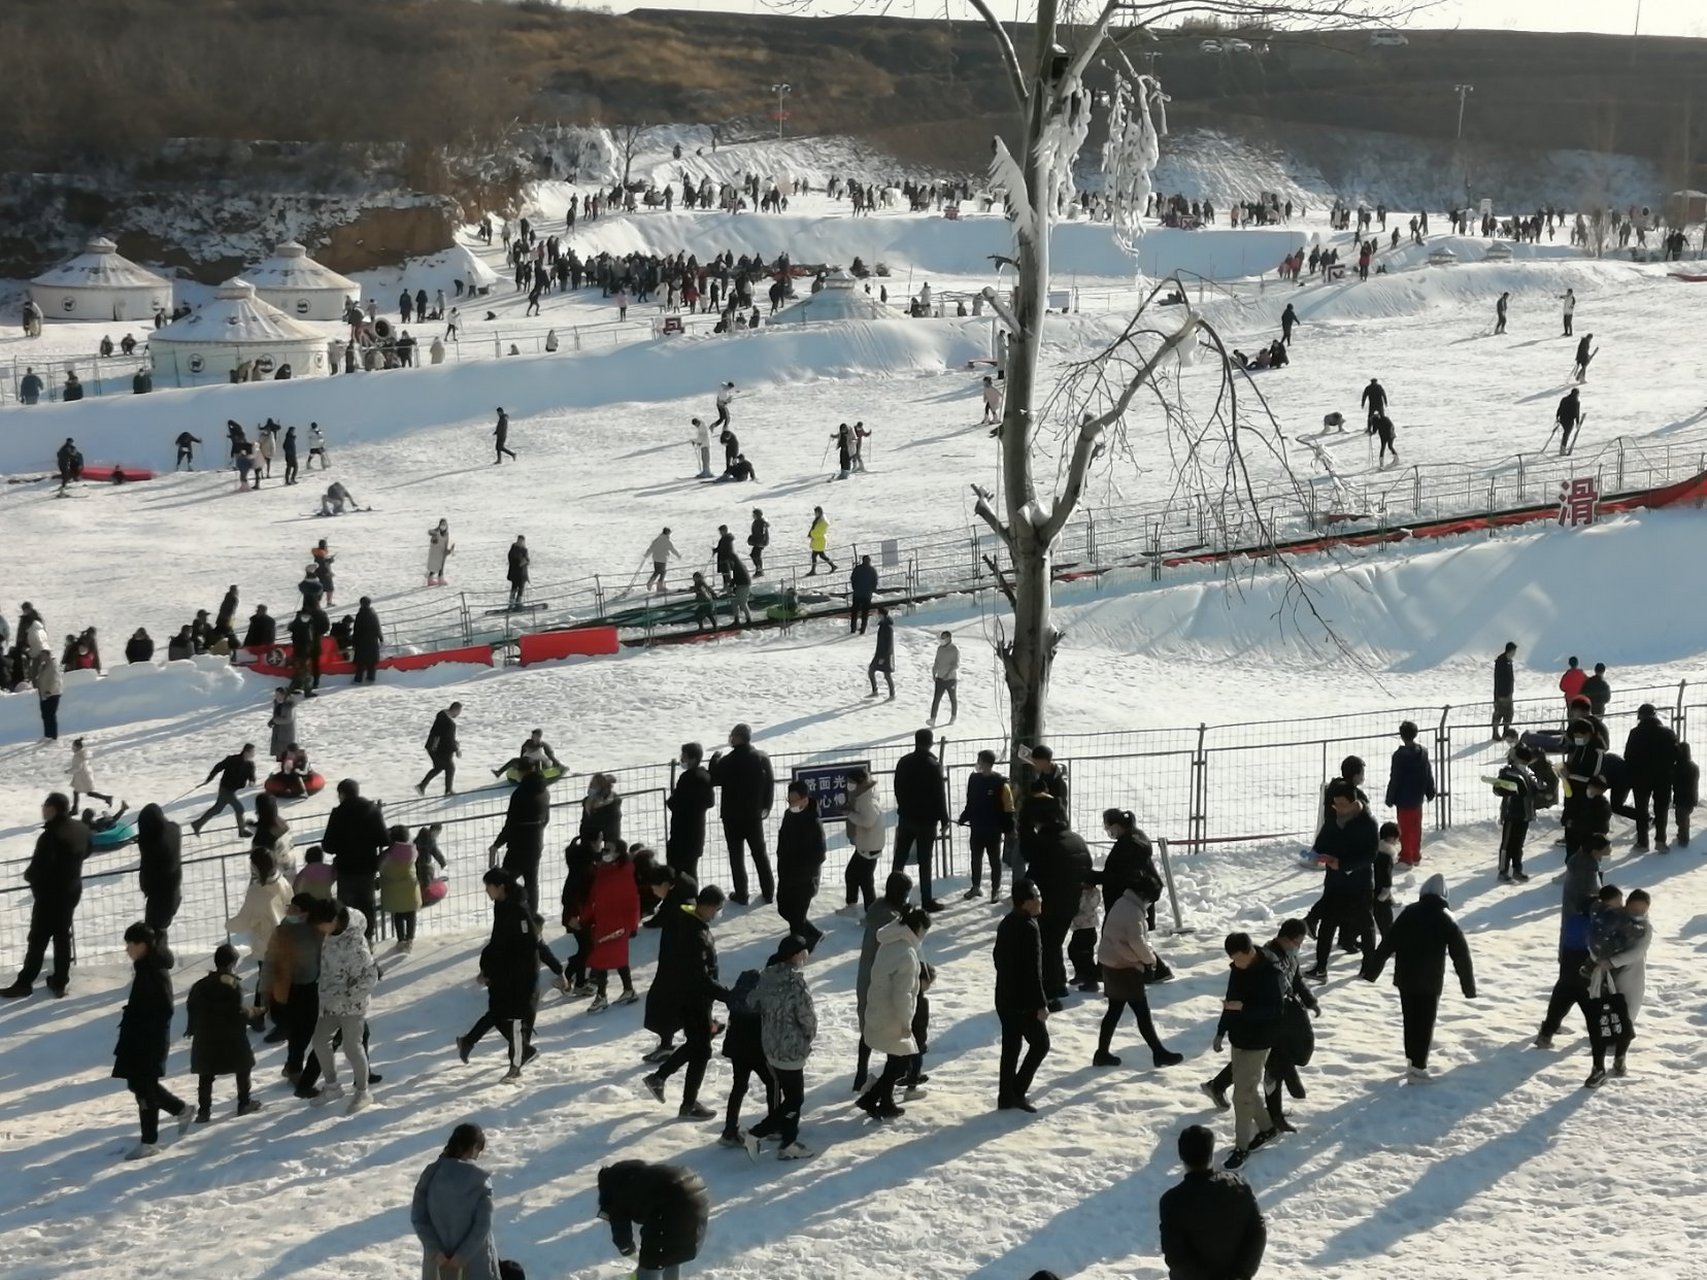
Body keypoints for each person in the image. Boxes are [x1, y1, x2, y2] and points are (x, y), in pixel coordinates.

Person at [1361, 873, 1475, 1080]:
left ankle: (1411, 1059)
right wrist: (1468, 987)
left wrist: (1372, 972)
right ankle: (1418, 1066)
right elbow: (1461, 955)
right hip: (1430, 980)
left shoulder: (1409, 912)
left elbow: (1388, 943)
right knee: (1425, 1022)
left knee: (1410, 1020)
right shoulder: (1447, 918)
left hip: (1405, 977)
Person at [642, 885, 730, 1118]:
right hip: (694, 999)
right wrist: (727, 995)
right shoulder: (695, 933)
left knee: (698, 1046)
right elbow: (699, 976)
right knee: (701, 1049)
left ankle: (660, 1079)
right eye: (718, 909)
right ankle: (686, 1102)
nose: (717, 914)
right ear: (709, 906)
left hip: (692, 998)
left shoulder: (688, 922)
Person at [2, 794, 92, 999]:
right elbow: (87, 851)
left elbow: (38, 868)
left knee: (38, 939)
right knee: (62, 937)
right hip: (71, 893)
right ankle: (60, 982)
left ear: (53, 809)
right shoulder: (81, 829)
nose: (42, 809)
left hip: (49, 897)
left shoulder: (50, 836)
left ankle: (24, 983)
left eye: (45, 806)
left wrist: (29, 876)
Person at [113, 923, 191, 1158]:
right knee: (139, 1085)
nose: (128, 949)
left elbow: (164, 1009)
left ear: (144, 945)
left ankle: (149, 1141)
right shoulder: (145, 967)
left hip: (148, 1040)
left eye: (131, 944)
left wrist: (142, 1023)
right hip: (138, 1037)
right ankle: (180, 1109)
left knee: (144, 1088)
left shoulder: (154, 971)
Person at [459, 870, 545, 1078]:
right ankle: (519, 1051)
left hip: (519, 974)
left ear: (500, 887)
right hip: (502, 970)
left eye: (488, 886)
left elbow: (530, 944)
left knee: (512, 1017)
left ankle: (517, 1063)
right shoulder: (501, 906)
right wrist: (488, 967)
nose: (486, 890)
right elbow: (498, 941)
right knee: (498, 1012)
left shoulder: (518, 910)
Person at [1157, 1125, 1268, 1280]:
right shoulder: (1238, 1185)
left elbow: (1176, 1257)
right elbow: (1257, 1231)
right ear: (1211, 1154)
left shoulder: (1172, 1201)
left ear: (1181, 1156)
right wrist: (1241, 1274)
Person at [1214, 932, 1285, 1169]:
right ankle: (1267, 1128)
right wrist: (1221, 1030)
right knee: (1245, 1086)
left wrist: (1244, 1008)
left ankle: (1241, 1147)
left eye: (1238, 959)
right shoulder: (1238, 968)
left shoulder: (1271, 972)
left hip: (1260, 1040)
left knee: (1241, 1094)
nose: (1236, 964)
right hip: (1239, 1037)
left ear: (1249, 952)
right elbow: (1230, 1000)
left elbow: (1275, 1010)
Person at [1095, 878, 1184, 1069]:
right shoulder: (1133, 912)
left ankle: (1102, 1053)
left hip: (1111, 963)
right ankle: (1159, 1053)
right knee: (1141, 1013)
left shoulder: (1123, 902)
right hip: (1124, 968)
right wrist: (1150, 961)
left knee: (1114, 1010)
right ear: (1145, 896)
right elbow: (1137, 942)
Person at [1536, 834, 1609, 1049]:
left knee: (1566, 987)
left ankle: (1548, 1030)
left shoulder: (1582, 863)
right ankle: (1600, 1034)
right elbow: (1588, 901)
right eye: (1606, 845)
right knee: (1585, 990)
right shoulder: (1586, 871)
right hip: (1583, 939)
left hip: (1572, 937)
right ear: (1595, 850)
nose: (1610, 848)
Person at [748, 936, 818, 1159]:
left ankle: (788, 1142)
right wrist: (808, 1036)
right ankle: (756, 1133)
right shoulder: (794, 982)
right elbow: (806, 1016)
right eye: (804, 952)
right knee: (795, 1099)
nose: (806, 956)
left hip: (770, 1044)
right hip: (791, 1047)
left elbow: (752, 1002)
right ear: (796, 955)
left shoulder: (766, 976)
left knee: (790, 1096)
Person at [858, 906, 930, 1120]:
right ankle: (871, 1098)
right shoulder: (907, 953)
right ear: (917, 928)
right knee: (900, 1063)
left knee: (894, 1060)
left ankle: (885, 1102)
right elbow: (903, 993)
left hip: (879, 1009)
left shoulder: (889, 943)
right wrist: (906, 1021)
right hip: (893, 1015)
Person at [1304, 780, 1378, 981]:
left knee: (1365, 924)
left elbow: (1370, 856)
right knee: (1327, 923)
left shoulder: (1367, 823)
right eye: (1335, 804)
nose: (1338, 809)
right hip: (1335, 882)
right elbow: (1322, 841)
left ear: (1355, 803)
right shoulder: (1333, 819)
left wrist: (1344, 864)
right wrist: (1318, 853)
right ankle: (1320, 968)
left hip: (1358, 883)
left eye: (1342, 805)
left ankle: (1369, 965)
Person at [309, 899, 378, 1111]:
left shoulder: (355, 943)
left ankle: (363, 1091)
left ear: (333, 920)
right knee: (320, 1041)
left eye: (321, 924)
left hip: (352, 1005)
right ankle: (332, 1086)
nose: (318, 928)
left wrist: (349, 995)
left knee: (352, 1047)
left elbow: (371, 975)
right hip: (330, 1002)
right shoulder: (330, 935)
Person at [412, 1124, 502, 1280]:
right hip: (475, 1264)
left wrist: (436, 1252)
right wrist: (461, 1256)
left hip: (436, 1266)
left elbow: (419, 1218)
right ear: (474, 1147)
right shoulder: (479, 1180)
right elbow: (482, 1225)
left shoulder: (430, 1175)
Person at [595, 1160, 711, 1280]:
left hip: (671, 1202)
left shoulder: (616, 1191)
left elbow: (620, 1228)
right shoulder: (641, 1176)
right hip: (696, 1192)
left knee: (651, 1263)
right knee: (672, 1253)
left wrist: (626, 1248)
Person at [186, 943, 260, 1122]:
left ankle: (204, 1111)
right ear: (232, 963)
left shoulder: (200, 985)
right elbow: (236, 1011)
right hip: (231, 1038)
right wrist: (254, 1014)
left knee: (206, 1075)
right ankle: (244, 1103)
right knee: (243, 1067)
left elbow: (192, 1008)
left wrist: (192, 1028)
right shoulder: (232, 984)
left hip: (205, 1039)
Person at [993, 882, 1051, 1112]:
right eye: (1037, 896)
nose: (1040, 900)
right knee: (1041, 1044)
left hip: (1004, 996)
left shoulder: (1006, 922)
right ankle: (1017, 1090)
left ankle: (1005, 1095)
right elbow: (1033, 971)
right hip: (1023, 1002)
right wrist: (1041, 1004)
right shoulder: (1029, 927)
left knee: (1011, 1047)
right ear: (1025, 902)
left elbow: (998, 957)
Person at [1585, 888, 1651, 1084]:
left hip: (1630, 981)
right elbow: (1593, 940)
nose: (1637, 912)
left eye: (1642, 909)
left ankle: (1620, 1058)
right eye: (1634, 907)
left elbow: (1638, 951)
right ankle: (1598, 1068)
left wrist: (1612, 962)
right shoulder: (1610, 918)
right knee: (1599, 1021)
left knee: (1625, 1021)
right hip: (1603, 979)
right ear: (1626, 904)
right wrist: (1599, 959)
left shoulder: (1644, 929)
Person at [708, 723, 775, 905]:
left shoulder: (728, 761)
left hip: (732, 816)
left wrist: (714, 759)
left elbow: (713, 779)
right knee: (760, 854)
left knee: (736, 856)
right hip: (754, 815)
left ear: (737, 738)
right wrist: (766, 806)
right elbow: (770, 783)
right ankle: (768, 891)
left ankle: (742, 893)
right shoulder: (761, 757)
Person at [322, 779, 389, 939]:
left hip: (346, 870)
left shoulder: (338, 813)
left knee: (346, 909)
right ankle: (368, 939)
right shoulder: (372, 810)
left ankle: (349, 941)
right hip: (367, 867)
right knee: (367, 906)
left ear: (342, 794)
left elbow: (328, 846)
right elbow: (385, 839)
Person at [893, 727, 950, 912]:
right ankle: (927, 900)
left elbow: (897, 788)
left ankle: (894, 897)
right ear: (931, 742)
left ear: (915, 741)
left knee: (899, 858)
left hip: (906, 817)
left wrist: (903, 806)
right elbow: (939, 795)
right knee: (925, 861)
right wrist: (944, 818)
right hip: (926, 821)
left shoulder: (903, 762)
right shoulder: (933, 765)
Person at [489, 759, 551, 915]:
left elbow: (511, 823)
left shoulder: (520, 793)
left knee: (503, 882)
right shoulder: (544, 791)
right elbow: (546, 819)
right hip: (535, 843)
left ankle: (507, 917)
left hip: (518, 846)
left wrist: (497, 843)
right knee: (532, 883)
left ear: (521, 771)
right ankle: (533, 919)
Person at [585, 842, 642, 1011]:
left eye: (608, 849)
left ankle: (601, 995)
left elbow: (633, 900)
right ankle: (628, 989)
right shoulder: (603, 870)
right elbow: (594, 895)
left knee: (603, 958)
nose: (604, 852)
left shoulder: (623, 872)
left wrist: (633, 925)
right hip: (604, 922)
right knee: (617, 958)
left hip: (618, 923)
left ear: (618, 852)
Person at [775, 781, 827, 950]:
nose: (792, 804)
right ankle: (814, 935)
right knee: (784, 908)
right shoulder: (788, 815)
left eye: (795, 800)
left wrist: (803, 868)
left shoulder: (813, 822)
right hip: (786, 873)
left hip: (805, 878)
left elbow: (820, 854)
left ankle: (798, 951)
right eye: (789, 800)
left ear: (805, 799)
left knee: (797, 917)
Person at [959, 750, 1015, 902]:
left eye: (980, 761)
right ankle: (975, 886)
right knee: (975, 859)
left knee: (994, 860)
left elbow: (1008, 808)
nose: (978, 764)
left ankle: (995, 889)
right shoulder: (974, 779)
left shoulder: (1000, 783)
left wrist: (1009, 828)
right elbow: (970, 801)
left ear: (986, 763)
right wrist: (965, 816)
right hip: (977, 828)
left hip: (993, 829)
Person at [1624, 702, 1678, 851]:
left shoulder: (1635, 733)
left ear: (1640, 716)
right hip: (1663, 776)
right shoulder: (1668, 732)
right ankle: (1660, 841)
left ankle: (1642, 842)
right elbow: (1675, 754)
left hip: (1640, 777)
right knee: (1661, 809)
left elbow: (1628, 755)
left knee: (1641, 810)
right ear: (1655, 715)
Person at [136, 803, 183, 966]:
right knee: (160, 930)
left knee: (155, 933)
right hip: (174, 892)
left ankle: (160, 965)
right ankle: (158, 963)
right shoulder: (174, 830)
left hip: (159, 897)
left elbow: (147, 872)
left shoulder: (153, 846)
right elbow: (172, 826)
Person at [1384, 720, 1436, 867]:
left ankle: (1406, 857)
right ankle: (1415, 853)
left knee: (1405, 829)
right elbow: (1428, 773)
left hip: (1403, 798)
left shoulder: (1399, 756)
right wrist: (1430, 790)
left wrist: (1390, 797)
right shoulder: (1423, 753)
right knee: (1416, 826)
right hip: (1418, 797)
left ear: (1401, 736)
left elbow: (1395, 778)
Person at [665, 742, 713, 877]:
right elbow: (710, 802)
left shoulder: (687, 778)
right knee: (691, 871)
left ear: (692, 758)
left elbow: (675, 804)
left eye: (684, 756)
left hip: (681, 833)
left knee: (677, 870)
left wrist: (671, 801)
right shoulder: (705, 775)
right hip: (697, 832)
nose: (682, 759)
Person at [1492, 745, 1539, 882]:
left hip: (1525, 814)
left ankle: (1517, 869)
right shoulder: (1508, 772)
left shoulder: (1528, 773)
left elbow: (1533, 790)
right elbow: (1498, 788)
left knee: (1518, 844)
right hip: (1511, 813)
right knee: (1506, 844)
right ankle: (1503, 870)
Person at [190, 744, 257, 838]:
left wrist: (252, 781)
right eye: (252, 752)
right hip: (225, 789)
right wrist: (208, 780)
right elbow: (217, 768)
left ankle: (197, 824)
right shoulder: (231, 760)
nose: (253, 754)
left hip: (232, 790)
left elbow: (252, 776)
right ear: (246, 752)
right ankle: (241, 832)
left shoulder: (250, 765)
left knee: (217, 809)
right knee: (239, 809)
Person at [842, 766, 885, 911]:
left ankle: (870, 912)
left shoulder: (866, 800)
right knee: (854, 875)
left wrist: (850, 814)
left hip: (869, 847)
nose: (849, 786)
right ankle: (854, 905)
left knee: (864, 881)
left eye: (851, 783)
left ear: (860, 783)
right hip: (867, 845)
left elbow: (868, 821)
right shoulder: (863, 795)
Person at [379, 826, 423, 949]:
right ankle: (410, 938)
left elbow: (381, 867)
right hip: (410, 888)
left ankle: (401, 939)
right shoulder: (413, 851)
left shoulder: (388, 855)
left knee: (398, 915)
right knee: (411, 914)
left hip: (394, 889)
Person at [417, 702, 462, 796]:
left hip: (431, 746)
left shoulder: (441, 715)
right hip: (439, 749)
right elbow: (448, 739)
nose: (459, 714)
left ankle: (422, 786)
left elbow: (443, 734)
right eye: (459, 711)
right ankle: (448, 791)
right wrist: (456, 749)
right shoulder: (450, 723)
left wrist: (454, 742)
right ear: (455, 710)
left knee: (439, 767)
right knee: (450, 767)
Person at [66, 737, 113, 811]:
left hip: (82, 778)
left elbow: (78, 768)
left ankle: (75, 810)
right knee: (84, 792)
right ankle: (106, 798)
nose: (72, 748)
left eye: (73, 746)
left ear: (77, 747)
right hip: (85, 776)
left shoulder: (78, 756)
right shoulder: (83, 754)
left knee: (78, 792)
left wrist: (68, 771)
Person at [926, 631, 960, 726]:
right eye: (941, 638)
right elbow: (937, 661)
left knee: (952, 698)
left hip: (950, 679)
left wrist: (948, 674)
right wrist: (934, 672)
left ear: (949, 638)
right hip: (940, 678)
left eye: (944, 638)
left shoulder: (954, 649)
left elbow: (956, 664)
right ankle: (932, 719)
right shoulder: (940, 649)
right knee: (936, 699)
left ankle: (953, 716)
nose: (942, 639)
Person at [351, 597, 382, 684]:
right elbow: (377, 627)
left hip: (361, 641)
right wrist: (380, 638)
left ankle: (358, 679)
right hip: (372, 641)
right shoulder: (373, 614)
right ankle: (371, 678)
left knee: (360, 662)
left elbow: (356, 629)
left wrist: (354, 642)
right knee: (372, 662)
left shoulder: (360, 615)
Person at [867, 607, 895, 699]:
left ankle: (892, 694)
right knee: (871, 671)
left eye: (878, 613)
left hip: (886, 655)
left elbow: (889, 644)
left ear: (882, 614)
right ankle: (875, 691)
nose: (877, 615)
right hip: (879, 653)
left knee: (887, 675)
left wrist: (883, 657)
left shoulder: (888, 627)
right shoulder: (882, 625)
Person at [1492, 641, 1517, 739]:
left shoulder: (1509, 661)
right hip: (1502, 693)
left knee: (1509, 713)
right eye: (1514, 651)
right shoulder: (1501, 662)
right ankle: (1495, 733)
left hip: (1508, 693)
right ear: (1510, 651)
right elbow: (1500, 679)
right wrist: (1500, 693)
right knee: (1499, 713)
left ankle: (1506, 731)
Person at [848, 556, 878, 634]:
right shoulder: (872, 570)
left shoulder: (857, 569)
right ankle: (863, 629)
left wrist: (855, 588)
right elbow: (875, 581)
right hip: (867, 595)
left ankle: (853, 629)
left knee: (854, 612)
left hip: (857, 594)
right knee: (865, 613)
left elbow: (852, 579)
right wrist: (871, 590)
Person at [646, 527, 681, 592]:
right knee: (663, 572)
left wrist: (646, 555)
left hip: (656, 558)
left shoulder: (657, 539)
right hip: (662, 559)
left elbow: (651, 548)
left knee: (656, 572)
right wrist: (678, 555)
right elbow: (672, 549)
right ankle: (660, 587)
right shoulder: (667, 541)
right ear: (667, 533)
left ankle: (650, 583)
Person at [806, 506, 837, 575]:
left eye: (816, 512)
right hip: (818, 541)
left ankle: (813, 571)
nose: (815, 514)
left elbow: (819, 532)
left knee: (816, 556)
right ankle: (832, 566)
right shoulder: (819, 520)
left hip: (819, 541)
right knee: (821, 555)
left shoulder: (822, 522)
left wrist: (812, 534)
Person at [426, 519, 454, 586]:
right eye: (442, 524)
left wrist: (449, 550)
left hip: (442, 552)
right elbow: (430, 532)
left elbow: (446, 544)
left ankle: (440, 580)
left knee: (441, 567)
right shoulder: (436, 532)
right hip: (435, 553)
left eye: (444, 524)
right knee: (434, 567)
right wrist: (434, 534)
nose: (443, 526)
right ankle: (430, 580)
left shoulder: (446, 534)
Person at [506, 536, 530, 608]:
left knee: (521, 588)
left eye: (522, 541)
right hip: (515, 572)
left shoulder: (524, 549)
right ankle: (511, 602)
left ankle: (519, 602)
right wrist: (519, 562)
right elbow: (511, 558)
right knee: (514, 587)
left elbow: (527, 559)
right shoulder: (514, 548)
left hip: (523, 573)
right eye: (519, 541)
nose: (520, 542)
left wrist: (526, 561)